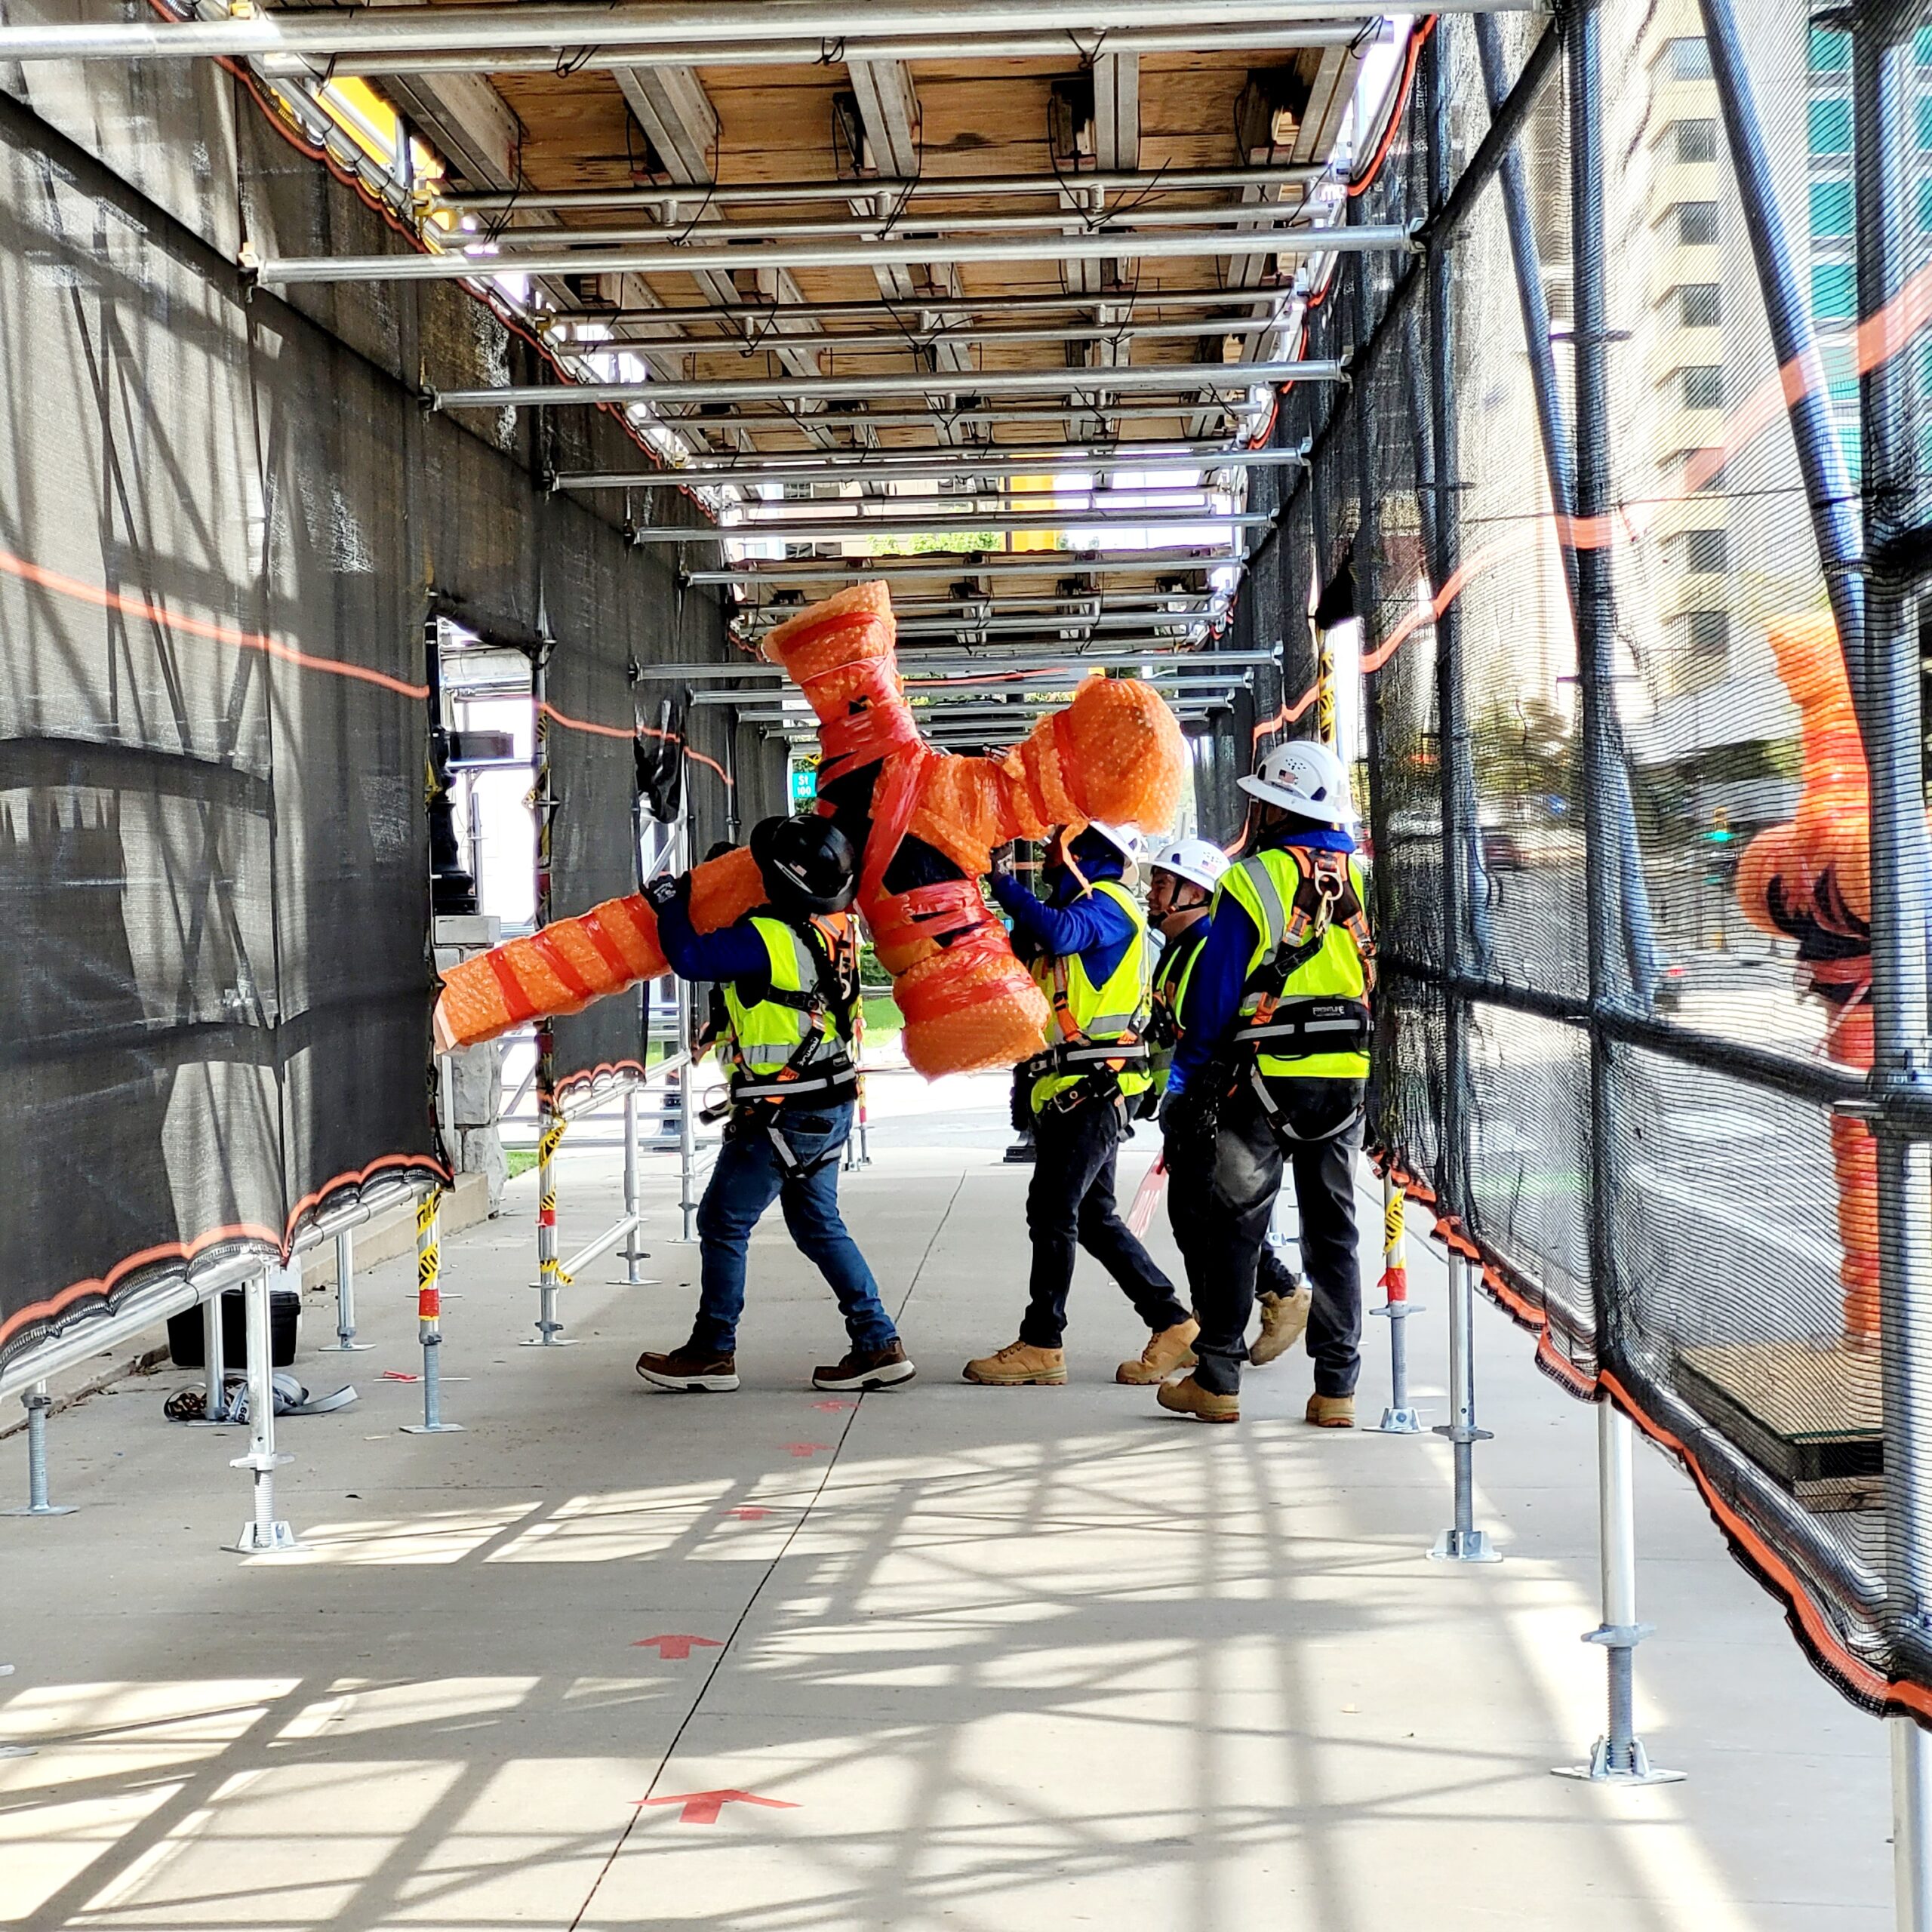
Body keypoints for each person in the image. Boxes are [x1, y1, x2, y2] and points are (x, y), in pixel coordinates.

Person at [634, 813, 915, 1395]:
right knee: (817, 1225)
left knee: (723, 1221)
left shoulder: (762, 936)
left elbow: (690, 958)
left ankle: (713, 1350)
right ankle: (876, 1341)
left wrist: (669, 905)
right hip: (825, 1102)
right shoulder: (816, 933)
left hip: (785, 1112)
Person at [1153, 742, 1374, 1427]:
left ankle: (1218, 1379)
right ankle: (1336, 1389)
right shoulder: (1362, 878)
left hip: (1264, 1077)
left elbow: (1216, 991)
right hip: (1345, 1078)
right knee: (1334, 1233)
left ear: (1275, 807)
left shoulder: (1255, 880)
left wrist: (1191, 1075)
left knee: (1236, 1226)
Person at [964, 821, 1197, 1387]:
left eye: (1055, 849)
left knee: (1051, 1210)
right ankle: (1171, 1321)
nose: (1045, 857)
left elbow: (1060, 932)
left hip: (1091, 1091)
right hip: (1075, 1090)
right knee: (1091, 1217)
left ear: (1085, 855)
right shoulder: (1082, 915)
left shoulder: (1109, 907)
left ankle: (1044, 1341)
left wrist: (999, 881)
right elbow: (1029, 950)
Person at [1145, 837, 1313, 1372]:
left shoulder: (1203, 945)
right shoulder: (1179, 950)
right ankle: (1227, 1331)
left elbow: (1206, 1028)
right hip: (1198, 1101)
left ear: (1195, 891)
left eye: (1163, 883)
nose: (1152, 893)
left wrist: (1182, 1091)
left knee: (1207, 1219)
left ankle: (1269, 1304)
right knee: (1196, 1218)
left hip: (1213, 1099)